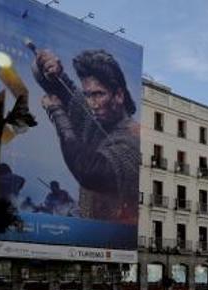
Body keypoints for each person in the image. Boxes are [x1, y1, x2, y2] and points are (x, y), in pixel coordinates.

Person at [31, 47, 140, 223]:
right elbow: (63, 91)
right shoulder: (95, 114)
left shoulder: (133, 138)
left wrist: (57, 114)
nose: (92, 103)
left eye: (98, 94)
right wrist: (49, 67)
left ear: (119, 95)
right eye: (88, 95)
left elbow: (90, 172)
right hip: (88, 230)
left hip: (115, 238)